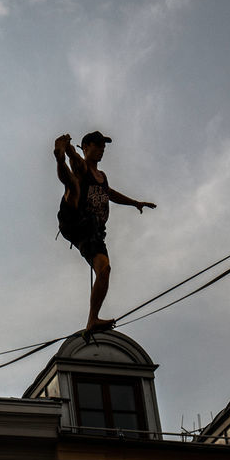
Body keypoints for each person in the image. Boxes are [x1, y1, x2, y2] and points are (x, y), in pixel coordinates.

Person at [54, 130, 156, 334]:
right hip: (73, 219)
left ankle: (92, 320)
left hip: (92, 232)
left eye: (103, 147)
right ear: (86, 147)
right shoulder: (82, 167)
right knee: (73, 185)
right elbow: (77, 163)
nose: (102, 150)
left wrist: (135, 203)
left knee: (104, 270)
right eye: (97, 145)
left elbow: (110, 194)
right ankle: (59, 158)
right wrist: (67, 153)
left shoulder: (102, 177)